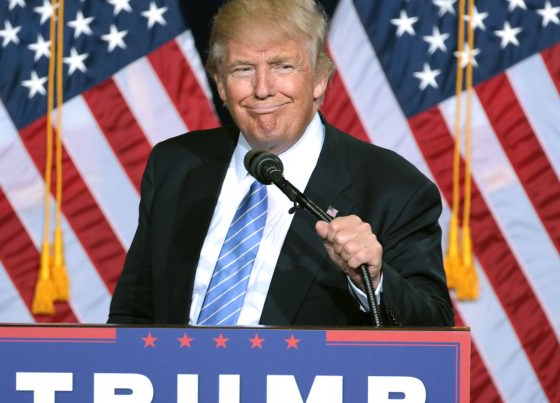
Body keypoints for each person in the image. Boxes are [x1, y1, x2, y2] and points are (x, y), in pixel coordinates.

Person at [108, 0, 454, 327]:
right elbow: (133, 315)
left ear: (319, 78)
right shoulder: (176, 164)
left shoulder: (392, 188)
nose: (262, 90)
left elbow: (434, 331)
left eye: (282, 66)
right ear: (220, 85)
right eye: (243, 69)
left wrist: (374, 280)